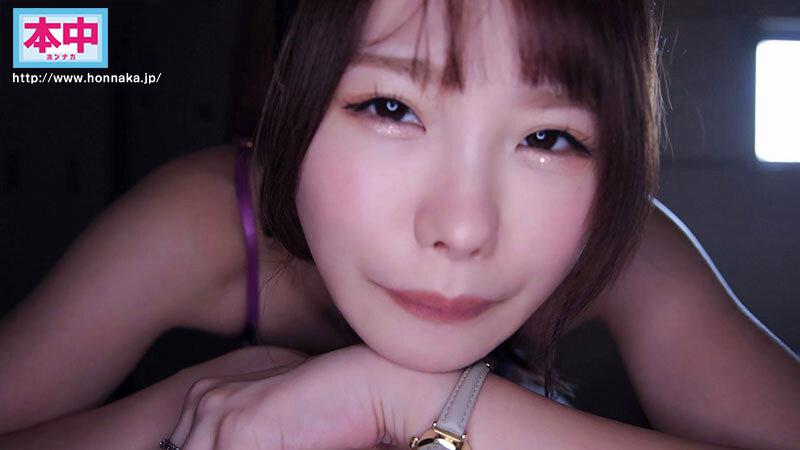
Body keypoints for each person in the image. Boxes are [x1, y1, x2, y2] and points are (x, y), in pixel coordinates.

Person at [1, 0, 798, 449]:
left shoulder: (620, 244)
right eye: (390, 107)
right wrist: (194, 405)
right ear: (288, 104)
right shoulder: (207, 217)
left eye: (549, 138)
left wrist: (415, 403)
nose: (463, 227)